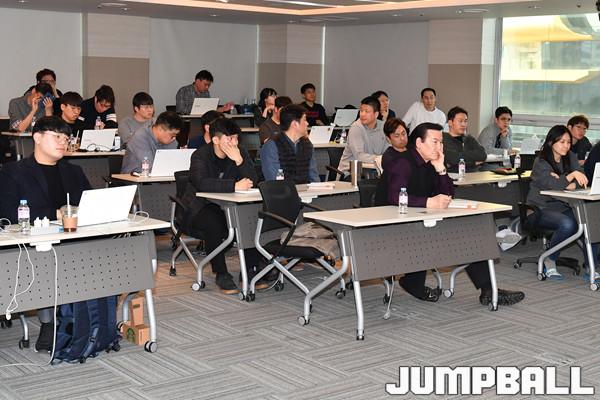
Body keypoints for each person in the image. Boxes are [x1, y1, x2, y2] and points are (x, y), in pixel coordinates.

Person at [381, 122, 525, 305]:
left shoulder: (431, 163)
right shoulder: (402, 162)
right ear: (418, 143)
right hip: (394, 223)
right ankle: (412, 282)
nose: (439, 147)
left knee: (468, 235)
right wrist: (428, 202)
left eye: (441, 142)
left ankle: (489, 291)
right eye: (434, 142)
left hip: (421, 219)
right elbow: (394, 196)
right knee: (443, 237)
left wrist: (441, 169)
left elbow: (449, 194)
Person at [0, 116, 91, 352]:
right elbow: (8, 213)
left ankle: (90, 317)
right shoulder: (13, 172)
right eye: (57, 136)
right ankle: (49, 323)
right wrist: (55, 214)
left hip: (74, 239)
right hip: (33, 245)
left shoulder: (74, 171)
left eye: (66, 138)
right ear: (37, 138)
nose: (63, 142)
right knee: (47, 258)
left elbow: (89, 205)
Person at [181, 118, 269, 294]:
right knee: (213, 221)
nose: (234, 143)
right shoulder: (200, 155)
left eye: (236, 138)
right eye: (230, 139)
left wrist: (240, 161)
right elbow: (201, 182)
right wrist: (233, 186)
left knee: (249, 217)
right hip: (201, 207)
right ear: (215, 139)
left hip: (230, 205)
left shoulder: (239, 152)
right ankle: (221, 273)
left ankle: (250, 269)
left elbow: (253, 180)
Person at [528, 125, 598, 280]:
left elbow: (583, 179)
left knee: (590, 221)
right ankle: (549, 259)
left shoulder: (570, 156)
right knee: (568, 224)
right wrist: (570, 176)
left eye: (568, 142)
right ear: (551, 142)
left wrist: (567, 180)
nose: (566, 146)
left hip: (563, 206)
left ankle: (591, 267)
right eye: (562, 142)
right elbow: (553, 184)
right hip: (539, 208)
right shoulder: (541, 162)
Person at [260, 104, 319, 183]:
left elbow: (313, 175)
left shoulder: (307, 144)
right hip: (282, 189)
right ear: (295, 124)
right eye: (304, 120)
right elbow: (274, 180)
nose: (307, 123)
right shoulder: (272, 145)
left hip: (305, 190)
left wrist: (317, 188)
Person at [337, 96, 389, 174]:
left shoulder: (383, 127)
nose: (363, 114)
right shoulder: (356, 128)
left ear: (376, 114)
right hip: (350, 172)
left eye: (366, 111)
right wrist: (379, 159)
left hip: (373, 170)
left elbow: (388, 150)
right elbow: (359, 156)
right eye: (361, 111)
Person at [443, 106, 486, 172]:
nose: (463, 124)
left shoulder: (469, 138)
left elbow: (483, 155)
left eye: (465, 121)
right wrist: (473, 163)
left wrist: (460, 156)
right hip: (454, 175)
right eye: (460, 121)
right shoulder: (443, 139)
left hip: (474, 174)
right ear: (450, 123)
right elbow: (453, 159)